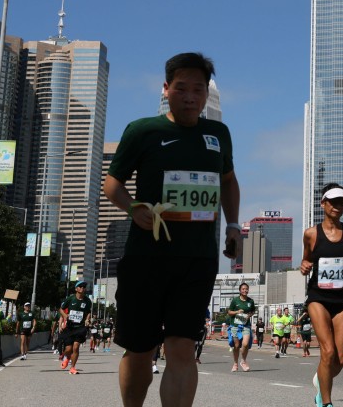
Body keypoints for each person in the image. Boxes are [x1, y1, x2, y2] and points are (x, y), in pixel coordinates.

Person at [103, 52, 242, 407]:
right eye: (182, 88)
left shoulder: (218, 134)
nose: (191, 97)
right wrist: (133, 207)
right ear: (166, 89)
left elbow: (228, 181)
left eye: (199, 89)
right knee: (140, 350)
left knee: (181, 347)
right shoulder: (143, 130)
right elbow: (112, 184)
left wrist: (234, 225)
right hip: (146, 257)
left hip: (197, 259)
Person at [300, 183, 343, 407]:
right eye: (334, 202)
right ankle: (325, 401)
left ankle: (321, 379)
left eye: (342, 202)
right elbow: (306, 259)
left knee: (340, 359)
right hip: (318, 298)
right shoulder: (311, 233)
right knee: (327, 351)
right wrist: (304, 265)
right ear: (323, 203)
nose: (338, 206)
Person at [59, 281, 92, 374]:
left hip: (80, 327)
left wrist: (87, 319)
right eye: (80, 286)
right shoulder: (70, 299)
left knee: (76, 347)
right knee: (68, 349)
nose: (82, 288)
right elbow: (60, 309)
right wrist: (65, 315)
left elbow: (88, 312)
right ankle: (66, 357)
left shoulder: (87, 301)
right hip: (70, 327)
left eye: (84, 286)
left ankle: (72, 367)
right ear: (76, 289)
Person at [227, 282, 255, 371]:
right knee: (236, 345)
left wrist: (249, 315)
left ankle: (243, 361)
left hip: (245, 325)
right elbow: (229, 312)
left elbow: (253, 311)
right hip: (235, 326)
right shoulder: (235, 300)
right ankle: (235, 363)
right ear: (240, 290)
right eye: (243, 289)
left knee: (245, 344)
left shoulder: (250, 301)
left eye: (246, 289)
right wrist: (237, 312)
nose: (245, 290)